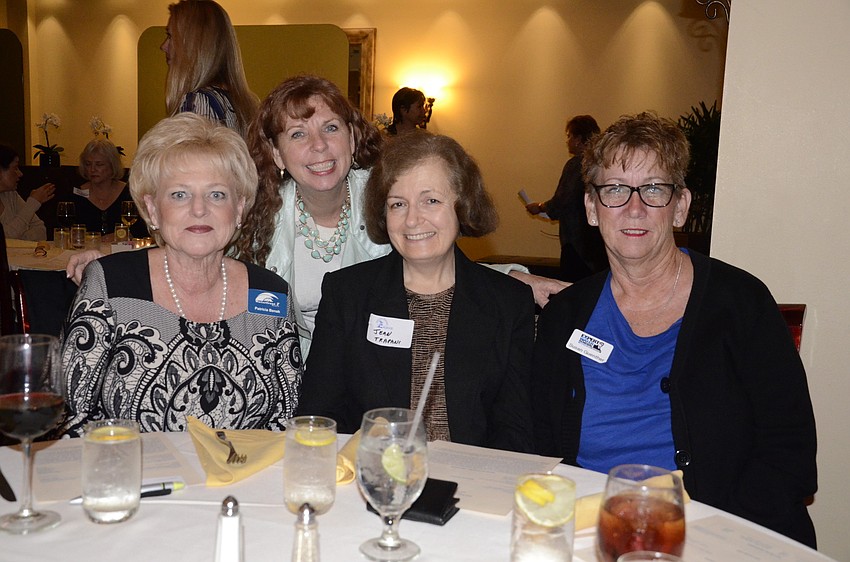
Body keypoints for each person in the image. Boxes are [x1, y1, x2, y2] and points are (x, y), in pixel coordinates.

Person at [531, 112, 817, 547]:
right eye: (614, 189)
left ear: (680, 205)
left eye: (653, 189)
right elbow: (538, 448)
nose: (634, 207)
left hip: (717, 534)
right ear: (591, 208)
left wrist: (703, 536)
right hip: (590, 535)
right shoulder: (564, 317)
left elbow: (788, 453)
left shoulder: (740, 303)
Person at [236, 74, 566, 358]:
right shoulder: (256, 216)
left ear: (351, 138)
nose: (318, 145)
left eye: (331, 128)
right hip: (293, 370)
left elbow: (438, 263)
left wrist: (513, 277)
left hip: (381, 365)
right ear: (276, 152)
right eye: (297, 134)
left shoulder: (388, 195)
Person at [61, 113, 302, 437]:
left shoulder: (270, 293)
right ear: (152, 208)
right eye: (179, 194)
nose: (199, 209)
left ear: (240, 208)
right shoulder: (110, 284)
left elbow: (286, 421)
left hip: (243, 482)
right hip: (135, 479)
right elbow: (72, 417)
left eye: (217, 194)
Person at [298, 132, 535, 452]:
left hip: (470, 487)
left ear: (462, 206)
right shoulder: (347, 295)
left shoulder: (508, 303)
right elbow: (319, 417)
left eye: (431, 200)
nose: (412, 219)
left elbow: (515, 429)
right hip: (372, 483)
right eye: (398, 203)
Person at [526, 114, 607, 281]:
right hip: (599, 241)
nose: (567, 141)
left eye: (569, 136)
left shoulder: (576, 164)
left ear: (578, 139)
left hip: (577, 245)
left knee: (574, 292)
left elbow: (562, 201)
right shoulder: (602, 164)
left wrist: (540, 207)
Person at [160, 0, 258, 138]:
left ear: (192, 45)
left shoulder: (198, 102)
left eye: (170, 36)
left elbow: (192, 159)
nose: (163, 46)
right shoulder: (241, 104)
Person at [71, 138, 146, 238]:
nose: (92, 169)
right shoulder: (77, 194)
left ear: (112, 166)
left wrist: (124, 235)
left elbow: (143, 230)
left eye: (99, 164)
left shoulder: (130, 193)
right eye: (88, 164)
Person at [0, 145, 53, 240]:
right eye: (15, 168)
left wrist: (16, 238)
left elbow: (41, 231)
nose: (20, 174)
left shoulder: (11, 195)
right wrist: (32, 204)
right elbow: (3, 240)